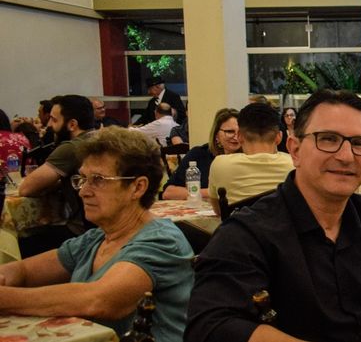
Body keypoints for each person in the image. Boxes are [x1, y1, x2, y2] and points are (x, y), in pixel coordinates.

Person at [186, 90, 361, 342]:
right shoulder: (248, 232)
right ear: (294, 149)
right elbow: (208, 325)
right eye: (328, 139)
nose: (346, 156)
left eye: (359, 143)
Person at [0, 127, 194, 342]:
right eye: (83, 178)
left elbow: (99, 300)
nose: (84, 191)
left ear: (137, 187)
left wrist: (5, 298)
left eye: (98, 179)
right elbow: (25, 271)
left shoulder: (161, 241)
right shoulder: (97, 238)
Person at [20, 95, 97, 255]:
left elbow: (26, 189)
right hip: (104, 229)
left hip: (81, 233)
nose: (49, 125)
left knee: (19, 243)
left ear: (72, 124)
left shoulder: (71, 148)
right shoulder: (100, 139)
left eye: (54, 120)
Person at [207, 103, 293, 216]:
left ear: (239, 136)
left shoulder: (220, 164)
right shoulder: (294, 165)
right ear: (279, 137)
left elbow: (219, 211)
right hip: (285, 227)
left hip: (239, 227)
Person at [161, 108, 241, 200]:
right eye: (230, 132)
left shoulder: (249, 157)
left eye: (240, 132)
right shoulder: (199, 154)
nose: (236, 137)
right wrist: (212, 192)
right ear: (216, 135)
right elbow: (168, 192)